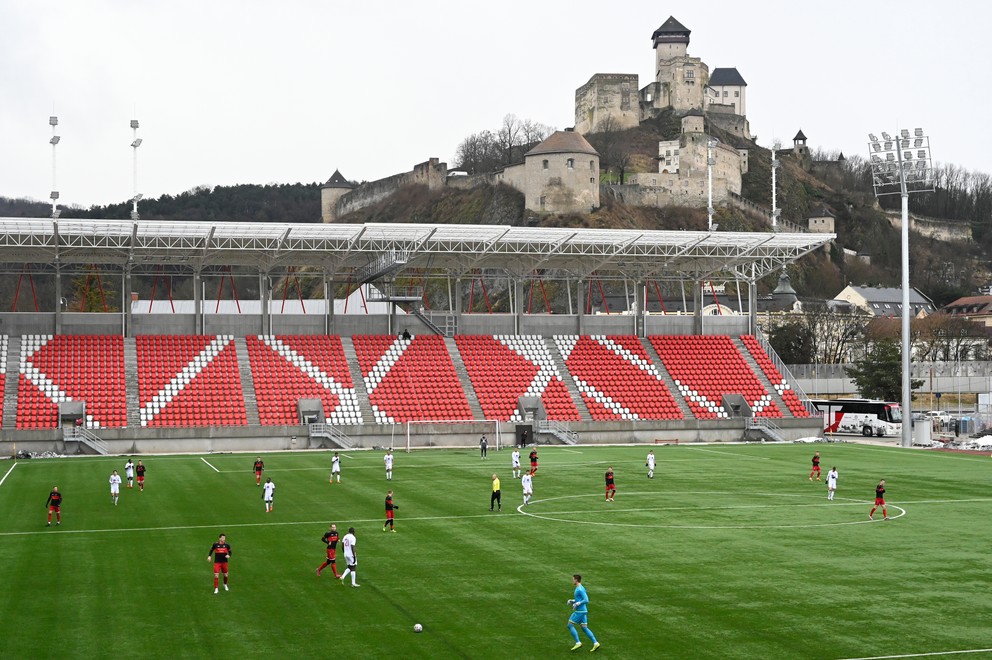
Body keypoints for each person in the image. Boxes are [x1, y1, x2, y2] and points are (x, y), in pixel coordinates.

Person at [566, 574, 601, 652]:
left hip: (580, 611)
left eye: (573, 579)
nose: (572, 581)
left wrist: (577, 604)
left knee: (570, 625)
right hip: (583, 611)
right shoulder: (579, 588)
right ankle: (596, 643)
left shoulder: (580, 589)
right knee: (584, 628)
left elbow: (586, 600)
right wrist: (572, 601)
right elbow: (580, 599)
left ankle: (578, 642)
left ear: (576, 580)